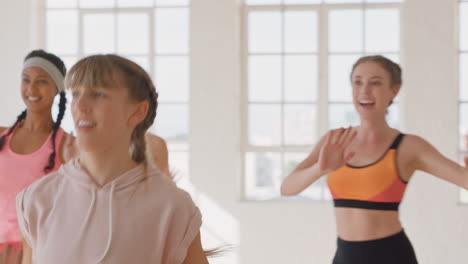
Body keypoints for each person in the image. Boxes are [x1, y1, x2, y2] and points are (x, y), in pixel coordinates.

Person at [16, 54, 209, 264]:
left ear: (138, 111)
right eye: (76, 94)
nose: (80, 106)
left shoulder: (173, 208)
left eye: (98, 94)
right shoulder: (36, 200)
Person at [280, 55, 468, 264]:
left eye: (375, 83)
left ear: (394, 90)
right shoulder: (334, 141)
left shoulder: (408, 147)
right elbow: (287, 188)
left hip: (391, 256)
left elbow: (464, 179)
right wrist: (319, 169)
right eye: (357, 82)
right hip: (344, 257)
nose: (364, 91)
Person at [0, 50, 72, 264]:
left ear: (57, 87)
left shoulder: (67, 145)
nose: (31, 89)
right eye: (26, 80)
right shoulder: (2, 135)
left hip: (38, 252)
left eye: (41, 81)